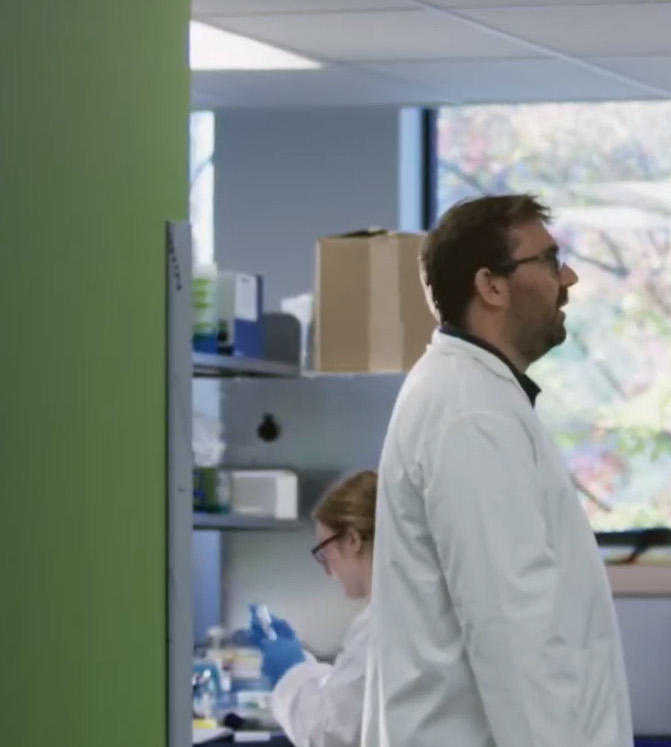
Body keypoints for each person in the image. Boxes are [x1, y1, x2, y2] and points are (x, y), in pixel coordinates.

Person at [362, 194, 632, 746]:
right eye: (551, 261)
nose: (570, 277)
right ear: (491, 286)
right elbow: (512, 633)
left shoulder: (478, 396)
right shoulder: (469, 413)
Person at [248, 470, 377, 747]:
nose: (328, 571)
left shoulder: (378, 626)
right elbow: (351, 698)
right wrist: (303, 665)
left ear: (353, 540)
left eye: (324, 552)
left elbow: (329, 735)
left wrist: (289, 672)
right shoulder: (397, 615)